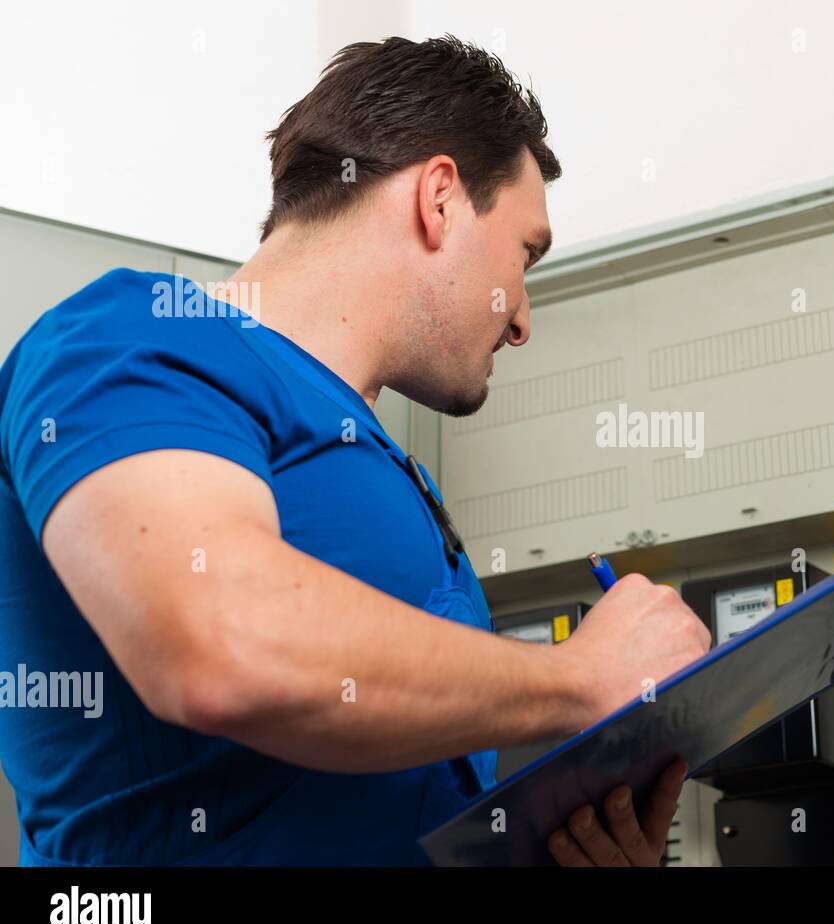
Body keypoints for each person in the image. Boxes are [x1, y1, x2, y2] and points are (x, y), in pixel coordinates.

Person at [0, 35, 711, 866]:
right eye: (525, 256)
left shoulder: (389, 469)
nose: (521, 318)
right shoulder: (135, 335)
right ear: (439, 198)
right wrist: (582, 678)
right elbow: (219, 644)